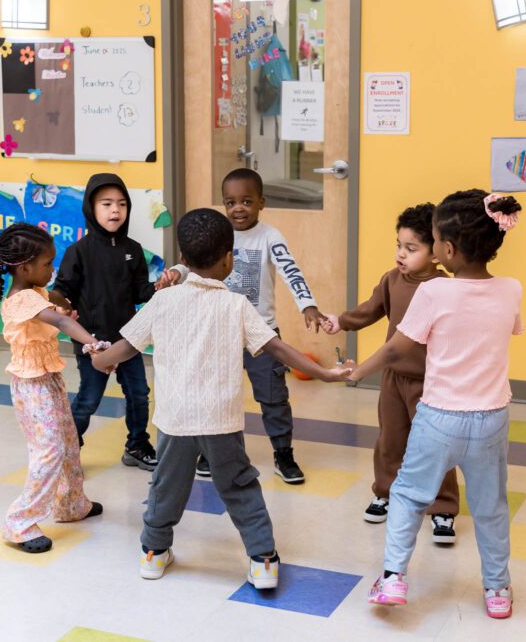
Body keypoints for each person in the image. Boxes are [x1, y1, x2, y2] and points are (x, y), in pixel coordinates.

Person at [91, 208, 352, 587]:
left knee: (166, 486)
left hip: (176, 422)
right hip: (221, 422)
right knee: (240, 486)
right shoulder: (236, 305)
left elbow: (118, 353)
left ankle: (153, 552)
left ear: (182, 259)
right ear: (229, 258)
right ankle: (262, 560)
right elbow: (278, 349)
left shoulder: (162, 302)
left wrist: (97, 357)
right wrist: (327, 373)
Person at [347, 190, 524, 619]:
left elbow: (393, 351)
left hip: (439, 416)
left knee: (407, 495)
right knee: (491, 507)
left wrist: (354, 372)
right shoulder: (512, 289)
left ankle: (392, 579)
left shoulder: (435, 293)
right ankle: (497, 590)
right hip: (491, 418)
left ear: (445, 249)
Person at [322, 204, 460, 538]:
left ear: (437, 253)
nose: (401, 254)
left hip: (433, 382)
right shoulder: (392, 279)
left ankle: (442, 507)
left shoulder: (446, 287)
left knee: (437, 445)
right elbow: (370, 310)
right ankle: (385, 492)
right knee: (390, 439)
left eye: (411, 249)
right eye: (399, 245)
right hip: (394, 379)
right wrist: (340, 321)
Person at [0, 223, 105, 554]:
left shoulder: (35, 292)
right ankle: (20, 522)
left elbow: (54, 301)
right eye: (47, 264)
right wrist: (91, 342)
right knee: (50, 449)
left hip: (48, 378)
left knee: (69, 442)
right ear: (25, 267)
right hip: (31, 386)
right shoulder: (20, 300)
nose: (52, 269)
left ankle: (71, 503)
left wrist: (64, 300)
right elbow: (59, 321)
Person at [52, 173, 185, 471]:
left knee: (139, 394)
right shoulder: (79, 252)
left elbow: (141, 292)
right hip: (92, 344)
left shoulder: (133, 250)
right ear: (91, 208)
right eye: (107, 204)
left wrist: (160, 286)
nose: (115, 210)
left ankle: (137, 445)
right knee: (88, 399)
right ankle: (67, 450)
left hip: (129, 340)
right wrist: (57, 302)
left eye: (122, 204)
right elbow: (63, 291)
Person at [202, 168, 326, 484]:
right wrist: (174, 274)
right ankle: (211, 451)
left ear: (261, 202)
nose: (238, 208)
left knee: (273, 396)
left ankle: (283, 453)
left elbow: (290, 270)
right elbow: (192, 263)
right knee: (216, 394)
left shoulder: (270, 236)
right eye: (230, 202)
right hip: (221, 331)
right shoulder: (217, 235)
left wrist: (306, 304)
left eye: (246, 201)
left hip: (262, 333)